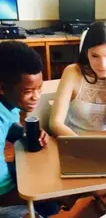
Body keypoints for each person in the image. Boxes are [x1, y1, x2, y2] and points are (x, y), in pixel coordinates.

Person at [49, 21, 106, 208]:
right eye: (95, 55)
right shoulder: (73, 72)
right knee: (62, 197)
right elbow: (55, 122)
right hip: (74, 143)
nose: (102, 64)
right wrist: (85, 148)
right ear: (85, 51)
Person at [0, 41, 60, 217]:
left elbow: (9, 126)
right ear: (2, 88)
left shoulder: (9, 102)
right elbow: (3, 197)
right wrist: (56, 194)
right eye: (28, 91)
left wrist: (26, 132)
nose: (36, 97)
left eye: (39, 88)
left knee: (52, 205)